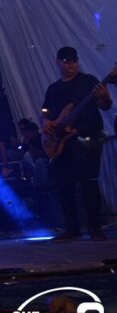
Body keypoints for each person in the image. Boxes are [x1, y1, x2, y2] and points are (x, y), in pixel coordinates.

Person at [42, 46, 112, 241]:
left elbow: (105, 106)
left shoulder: (88, 81)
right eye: (66, 61)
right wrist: (45, 121)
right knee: (64, 184)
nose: (71, 64)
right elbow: (45, 111)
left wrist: (105, 96)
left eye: (74, 60)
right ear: (58, 63)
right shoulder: (53, 89)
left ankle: (95, 227)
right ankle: (71, 227)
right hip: (62, 141)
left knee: (89, 181)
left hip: (88, 137)